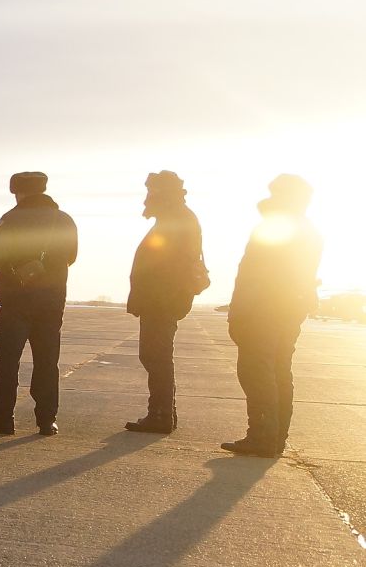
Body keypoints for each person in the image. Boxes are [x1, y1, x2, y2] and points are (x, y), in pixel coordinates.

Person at [222, 175, 323, 458]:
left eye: (275, 192)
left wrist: (241, 312)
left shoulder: (279, 227)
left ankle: (262, 436)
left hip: (265, 311)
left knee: (257, 371)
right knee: (278, 370)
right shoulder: (307, 229)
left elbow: (257, 275)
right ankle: (275, 437)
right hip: (287, 310)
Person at [0, 171, 79, 437]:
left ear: (19, 192)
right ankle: (46, 421)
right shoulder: (64, 220)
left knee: (7, 361)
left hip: (16, 300)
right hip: (52, 303)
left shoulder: (12, 219)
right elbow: (71, 257)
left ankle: (4, 418)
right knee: (47, 361)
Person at [124, 171, 206, 434]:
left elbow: (169, 265)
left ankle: (160, 415)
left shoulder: (176, 219)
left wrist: (153, 296)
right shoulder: (176, 216)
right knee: (155, 356)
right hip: (161, 299)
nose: (147, 197)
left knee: (156, 356)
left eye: (152, 191)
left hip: (162, 301)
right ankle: (164, 413)